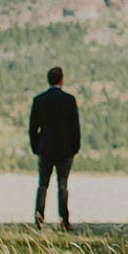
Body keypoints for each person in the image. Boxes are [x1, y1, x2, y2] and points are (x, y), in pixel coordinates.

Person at [29, 66, 81, 232]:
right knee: (62, 185)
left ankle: (39, 219)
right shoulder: (69, 100)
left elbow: (32, 128)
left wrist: (36, 146)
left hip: (45, 148)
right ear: (61, 80)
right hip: (65, 150)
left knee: (43, 184)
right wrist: (75, 147)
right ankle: (64, 221)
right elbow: (75, 127)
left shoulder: (39, 100)